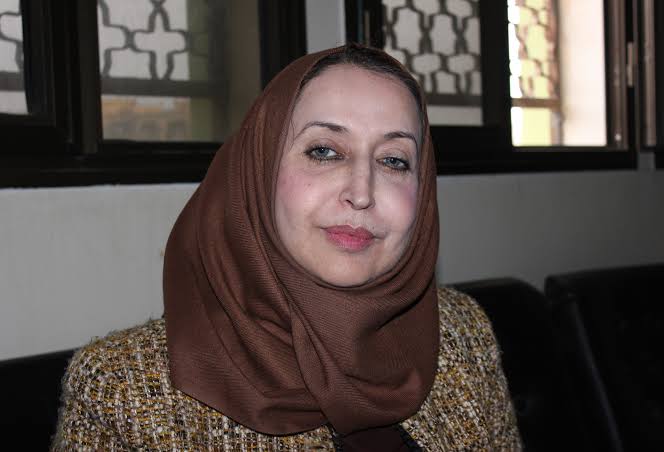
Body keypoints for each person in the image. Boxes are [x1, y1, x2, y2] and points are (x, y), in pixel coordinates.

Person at [51, 44, 522, 451]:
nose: (362, 192)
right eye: (325, 151)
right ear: (259, 172)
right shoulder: (123, 388)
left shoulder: (462, 334)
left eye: (394, 160)